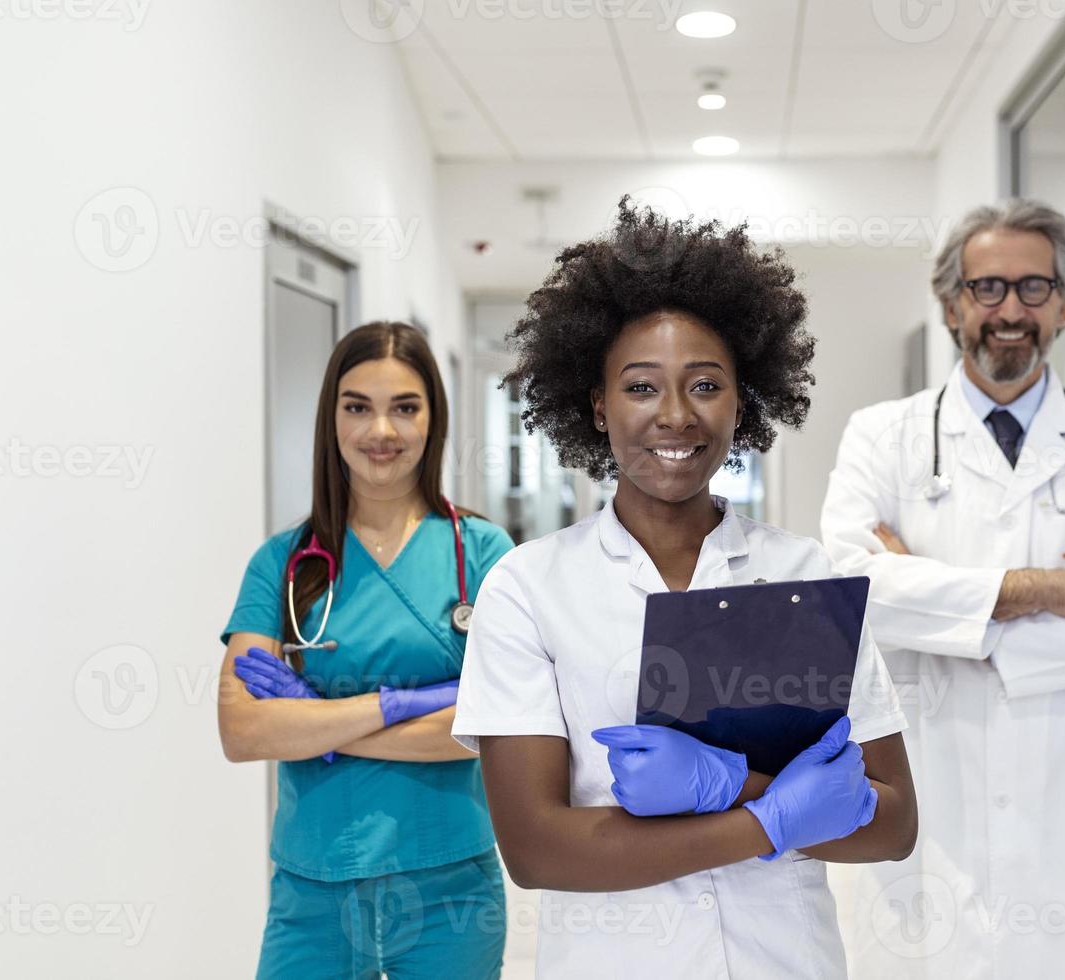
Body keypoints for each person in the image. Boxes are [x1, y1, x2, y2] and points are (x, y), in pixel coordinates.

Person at [452, 199, 918, 979]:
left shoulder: (807, 578)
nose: (674, 415)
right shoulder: (528, 589)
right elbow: (535, 849)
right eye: (640, 388)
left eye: (705, 384)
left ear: (743, 400)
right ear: (597, 407)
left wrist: (731, 784)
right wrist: (772, 814)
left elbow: (892, 823)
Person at [820, 199, 1065, 979]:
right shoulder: (882, 436)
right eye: (987, 289)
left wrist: (933, 601)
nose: (1009, 310)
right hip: (932, 778)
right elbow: (851, 591)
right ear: (951, 304)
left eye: (1033, 288)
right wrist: (1047, 588)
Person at [217, 321, 512, 979]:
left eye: (404, 407)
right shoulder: (285, 563)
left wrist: (316, 726)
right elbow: (241, 729)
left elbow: (497, 727)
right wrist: (410, 705)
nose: (381, 430)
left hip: (451, 888)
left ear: (433, 419)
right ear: (332, 418)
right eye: (358, 407)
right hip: (314, 884)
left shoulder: (485, 556)